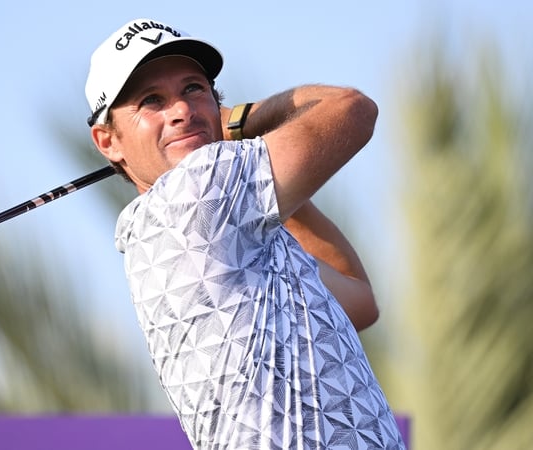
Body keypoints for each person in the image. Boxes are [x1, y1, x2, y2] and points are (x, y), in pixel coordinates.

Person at [85, 18, 405, 449]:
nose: (181, 110)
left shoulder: (224, 227)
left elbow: (358, 302)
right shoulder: (198, 192)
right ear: (108, 142)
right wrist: (244, 123)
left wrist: (283, 198)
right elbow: (352, 109)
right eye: (151, 101)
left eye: (194, 89)